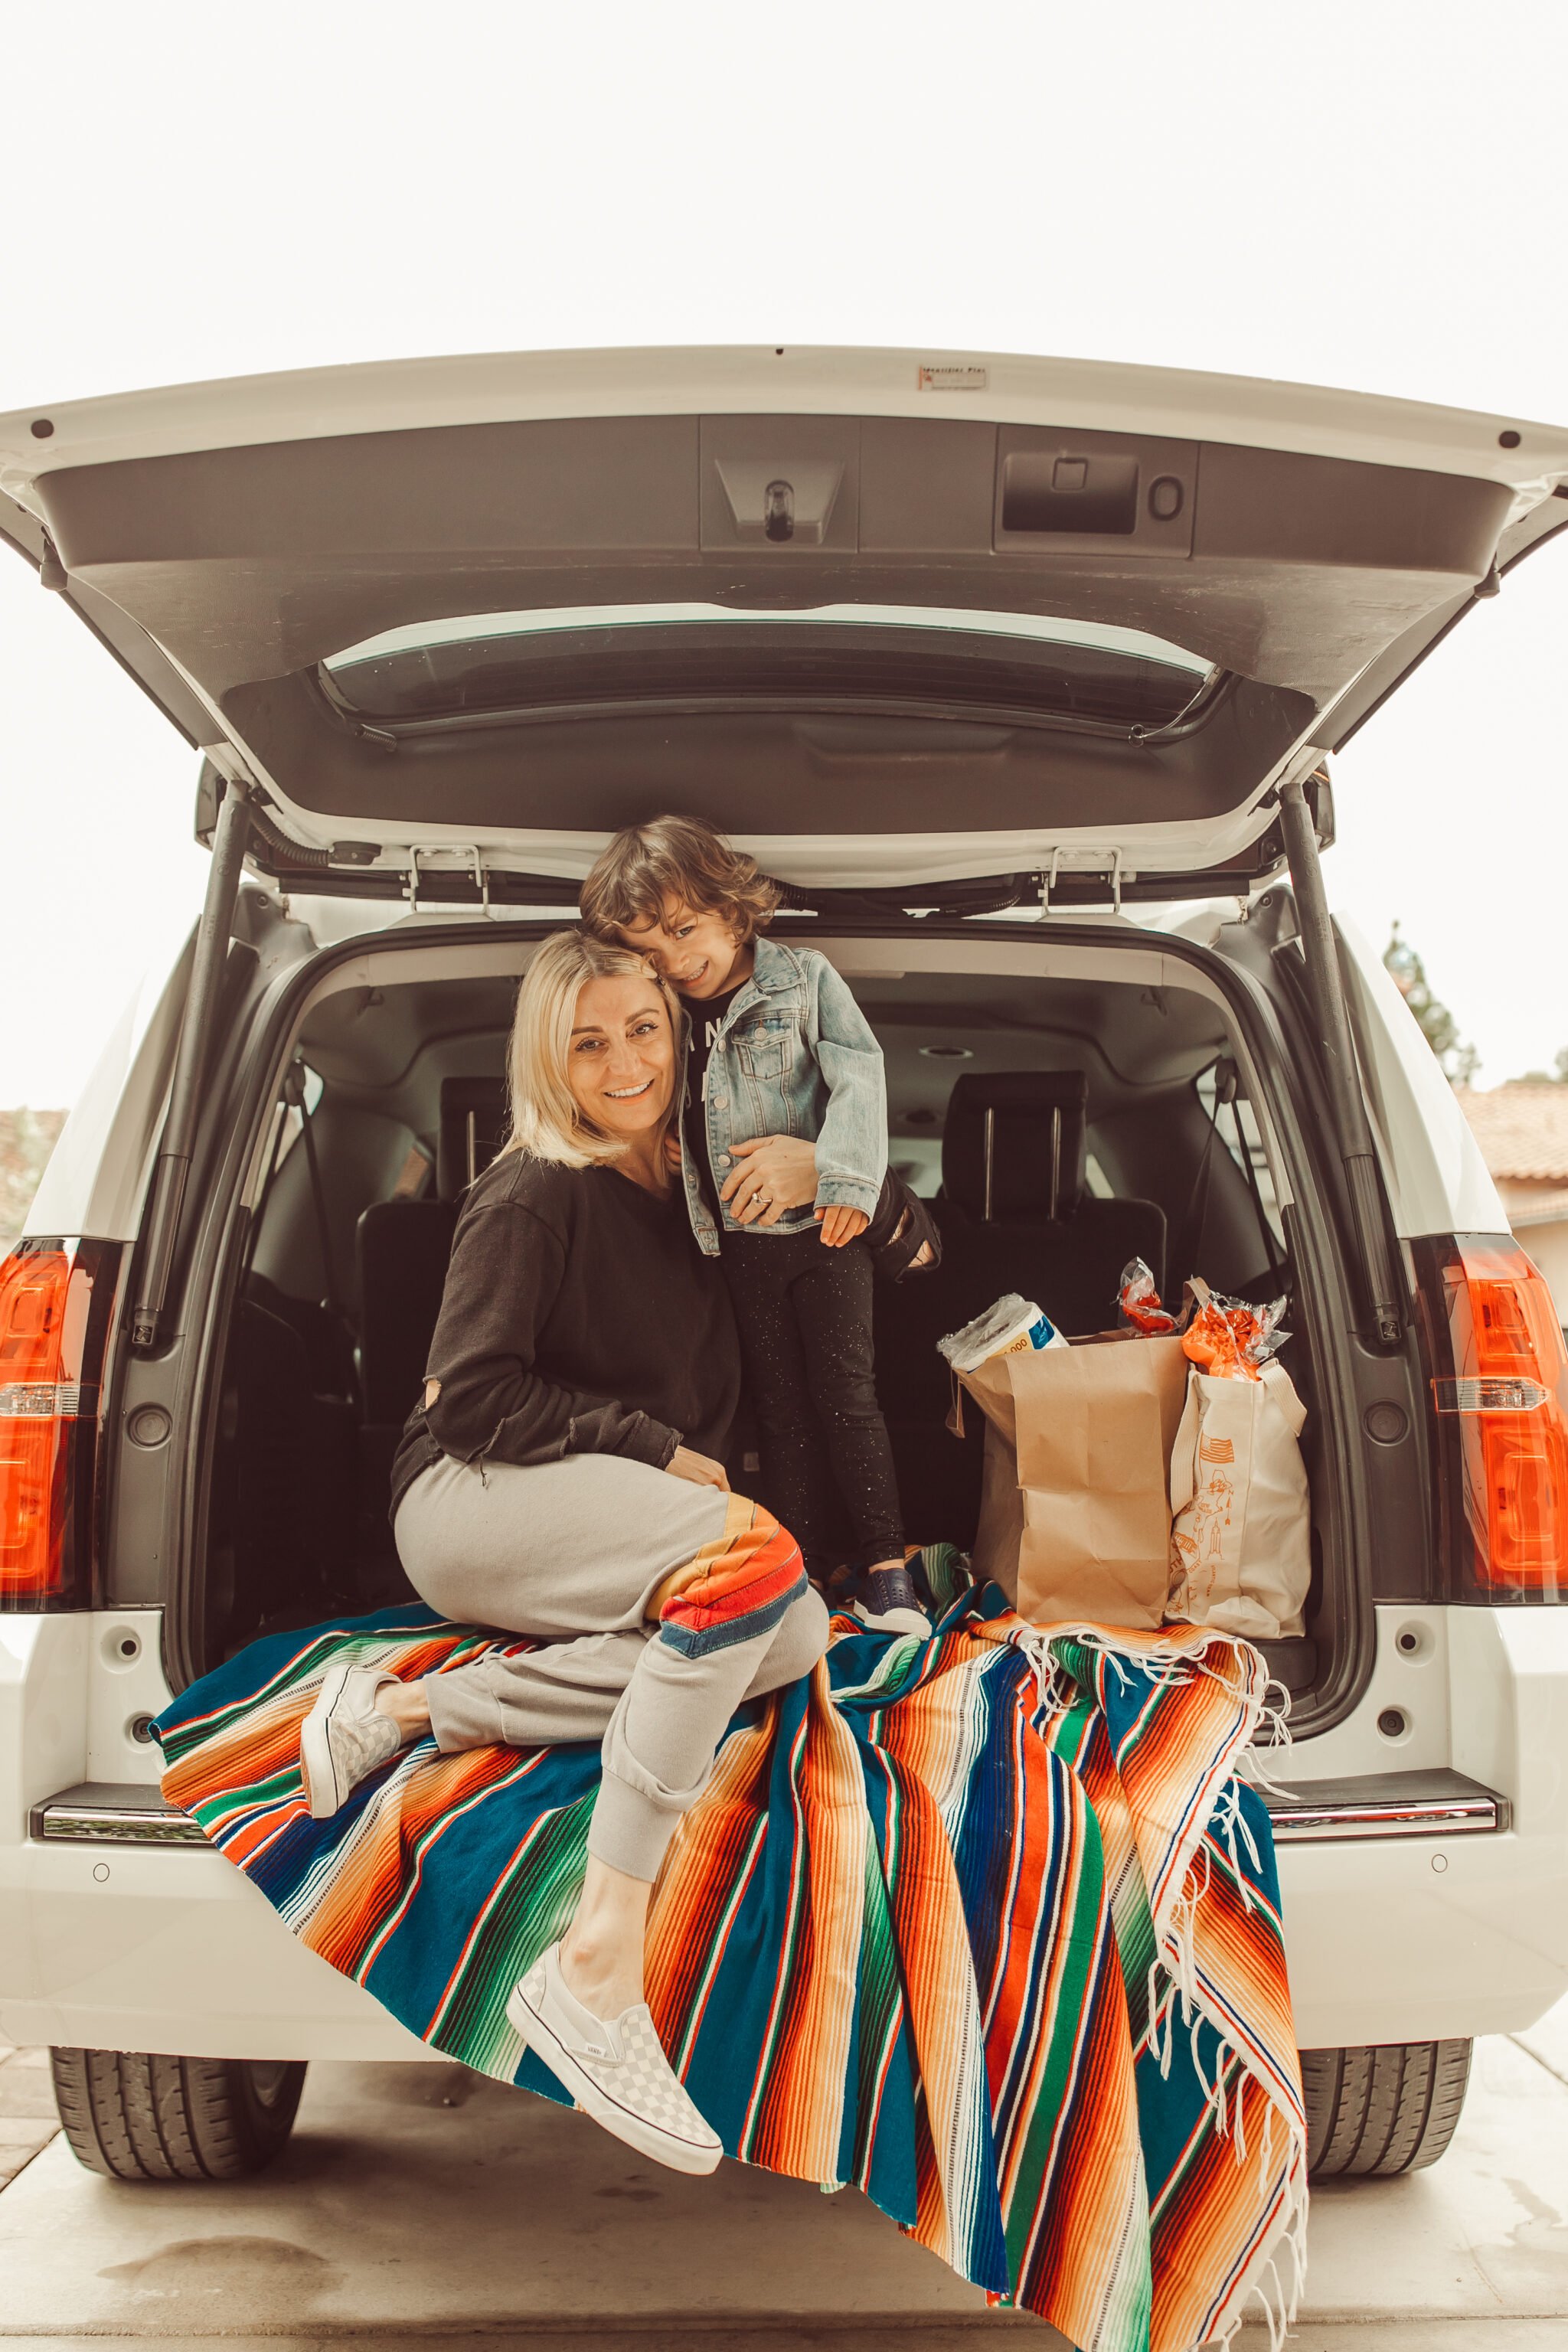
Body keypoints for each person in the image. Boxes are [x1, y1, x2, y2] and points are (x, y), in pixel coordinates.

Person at [296, 929, 829, 2177]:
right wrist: (648, 1445)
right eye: (588, 1041)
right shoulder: (536, 1186)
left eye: (643, 1027)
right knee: (755, 1574)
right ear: (551, 1057)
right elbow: (467, 1394)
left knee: (790, 1625)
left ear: (678, 1027)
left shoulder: (701, 1192)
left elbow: (868, 1241)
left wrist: (830, 1162)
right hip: (469, 1495)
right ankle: (594, 1961)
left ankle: (408, 1706)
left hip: (598, 1512)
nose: (624, 1060)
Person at [580, 815, 929, 1638]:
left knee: (846, 1399)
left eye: (682, 929)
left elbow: (858, 1078)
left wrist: (843, 1176)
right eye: (648, 949)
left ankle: (886, 1571)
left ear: (731, 911)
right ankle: (798, 1574)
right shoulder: (660, 1010)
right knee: (777, 1414)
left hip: (825, 1233)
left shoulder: (801, 982)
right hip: (732, 1244)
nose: (672, 959)